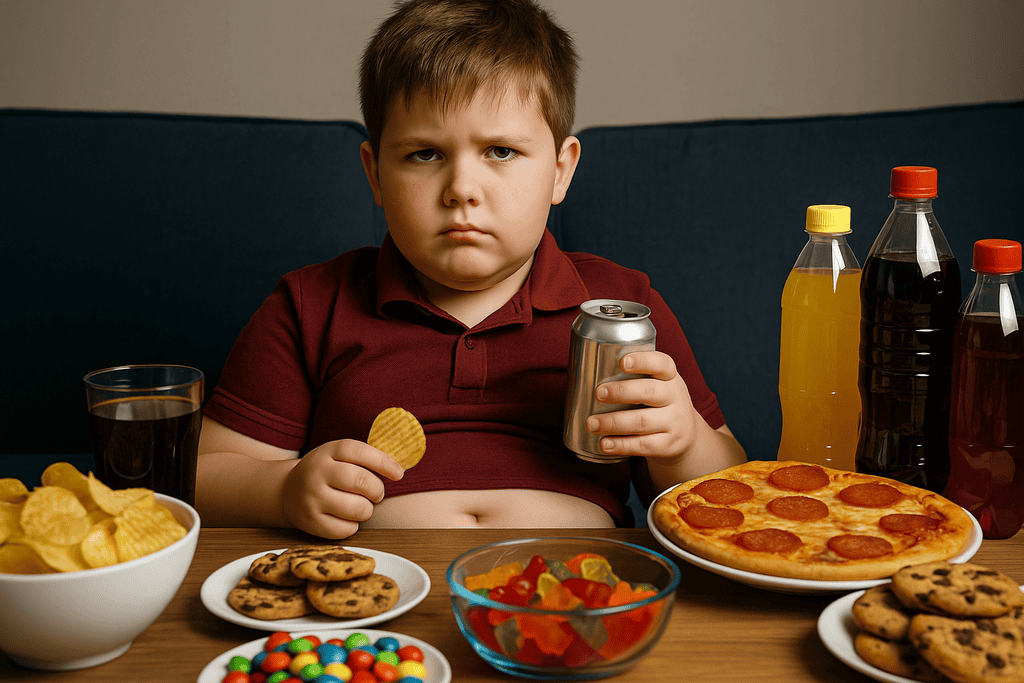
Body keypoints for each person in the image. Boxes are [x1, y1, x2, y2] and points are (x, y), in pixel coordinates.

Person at [195, 0, 746, 539]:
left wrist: (684, 442)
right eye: (424, 154)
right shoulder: (311, 304)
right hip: (379, 598)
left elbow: (727, 490)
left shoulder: (622, 303)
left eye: (501, 152)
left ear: (560, 171)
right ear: (375, 175)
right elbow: (200, 477)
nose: (461, 189)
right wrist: (284, 491)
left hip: (576, 593)